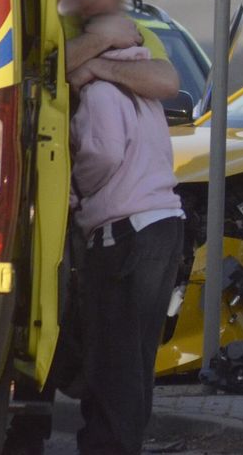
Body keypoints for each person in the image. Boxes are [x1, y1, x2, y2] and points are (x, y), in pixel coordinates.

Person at [69, 45, 184, 455]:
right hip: (164, 223)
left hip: (124, 233)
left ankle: (109, 447)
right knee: (136, 356)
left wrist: (75, 189)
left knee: (112, 356)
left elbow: (103, 154)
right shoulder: (144, 93)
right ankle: (125, 443)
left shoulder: (99, 92)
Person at [61, 0, 179, 100]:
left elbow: (167, 84)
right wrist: (102, 38)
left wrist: (96, 67)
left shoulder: (137, 33)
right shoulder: (56, 25)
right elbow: (39, 69)